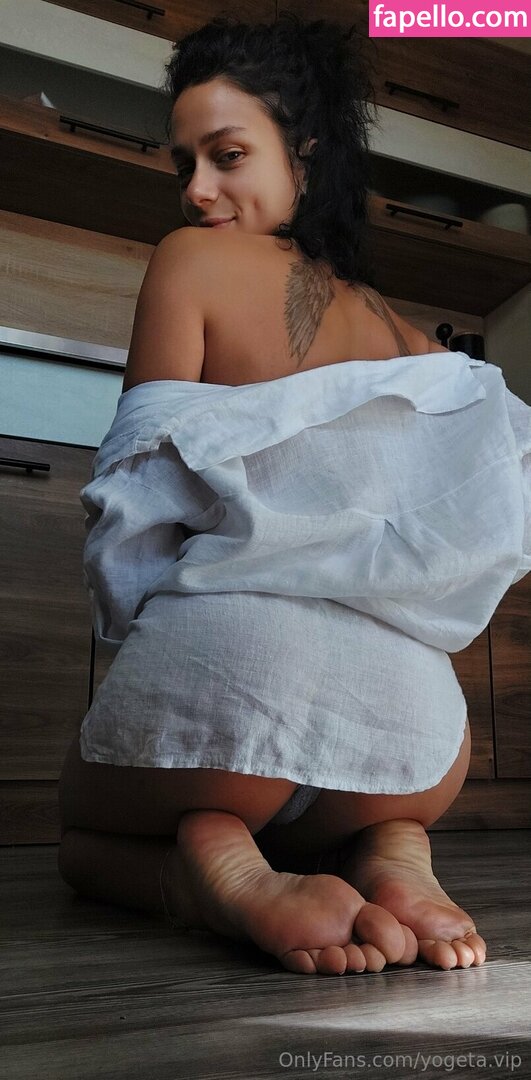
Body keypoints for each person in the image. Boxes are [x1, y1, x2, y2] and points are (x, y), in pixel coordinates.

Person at [57, 12, 530, 977]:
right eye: (185, 164)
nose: (196, 190)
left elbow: (132, 501)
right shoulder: (421, 347)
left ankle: (213, 865)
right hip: (416, 738)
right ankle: (393, 846)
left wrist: (144, 634)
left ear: (305, 153)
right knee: (344, 807)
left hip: (230, 682)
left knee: (79, 836)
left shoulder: (190, 259)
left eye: (226, 155)